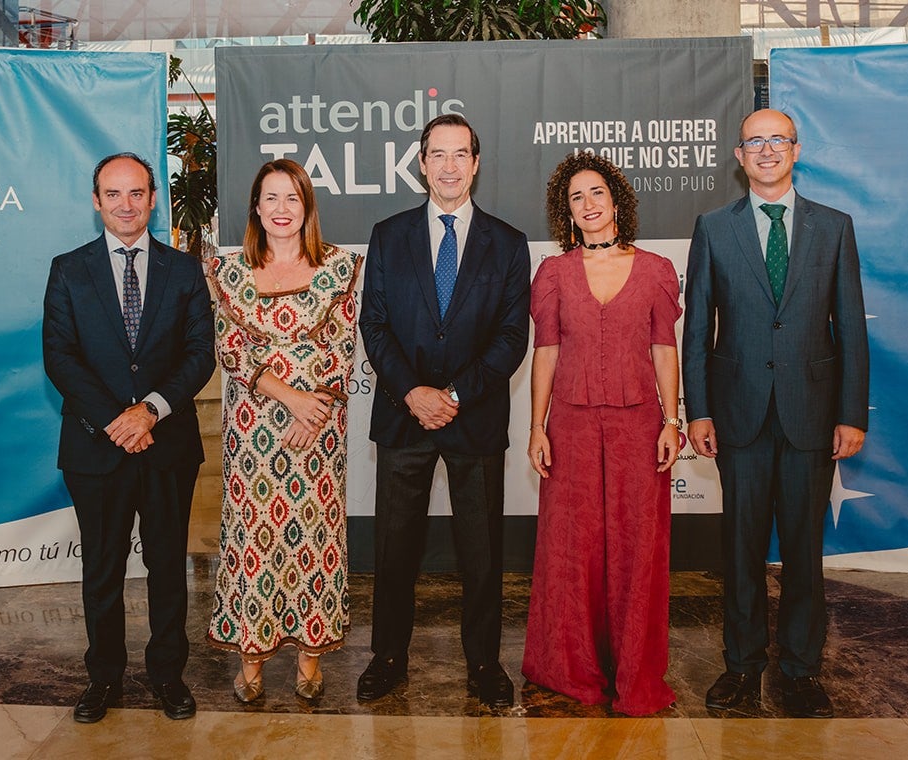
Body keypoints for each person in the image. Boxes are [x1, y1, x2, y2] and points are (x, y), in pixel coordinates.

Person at [682, 109, 869, 718]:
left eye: (777, 141)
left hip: (812, 418)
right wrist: (699, 411)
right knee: (739, 551)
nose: (766, 151)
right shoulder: (712, 228)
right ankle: (741, 669)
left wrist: (852, 414)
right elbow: (697, 331)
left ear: (796, 150)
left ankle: (801, 671)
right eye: (754, 142)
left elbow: (851, 330)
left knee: (804, 553)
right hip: (737, 417)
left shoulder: (834, 227)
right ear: (739, 156)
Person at [357, 113, 531, 708]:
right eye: (438, 154)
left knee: (481, 555)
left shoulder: (507, 243)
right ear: (421, 163)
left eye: (461, 154)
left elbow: (511, 339)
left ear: (476, 164)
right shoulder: (388, 234)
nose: (450, 166)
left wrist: (454, 395)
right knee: (394, 548)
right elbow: (373, 326)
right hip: (404, 416)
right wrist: (412, 393)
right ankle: (387, 657)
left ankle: (484, 662)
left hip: (474, 418)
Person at [42, 152, 215, 723]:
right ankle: (104, 680)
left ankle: (168, 676)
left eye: (136, 193)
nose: (125, 204)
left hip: (167, 444)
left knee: (168, 567)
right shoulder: (68, 270)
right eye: (113, 194)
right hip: (96, 447)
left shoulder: (184, 270)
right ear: (96, 201)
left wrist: (150, 412)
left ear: (152, 198)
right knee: (103, 570)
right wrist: (120, 420)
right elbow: (60, 359)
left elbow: (199, 355)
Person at [521, 152, 682, 716]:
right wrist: (536, 428)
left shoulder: (658, 269)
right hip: (570, 426)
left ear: (617, 201)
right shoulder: (553, 274)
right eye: (576, 199)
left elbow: (665, 347)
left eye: (596, 194)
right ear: (565, 214)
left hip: (641, 428)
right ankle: (573, 667)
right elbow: (546, 353)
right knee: (572, 551)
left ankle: (634, 670)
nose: (588, 205)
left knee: (638, 552)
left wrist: (672, 418)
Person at [205, 159, 360, 703]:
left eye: (292, 198)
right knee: (254, 536)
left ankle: (310, 658)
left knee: (314, 538)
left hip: (318, 430)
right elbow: (231, 349)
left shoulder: (340, 267)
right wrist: (291, 398)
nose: (281, 209)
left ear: (307, 206)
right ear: (255, 208)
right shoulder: (229, 272)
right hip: (253, 430)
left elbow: (341, 349)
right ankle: (251, 654)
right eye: (270, 198)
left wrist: (311, 412)